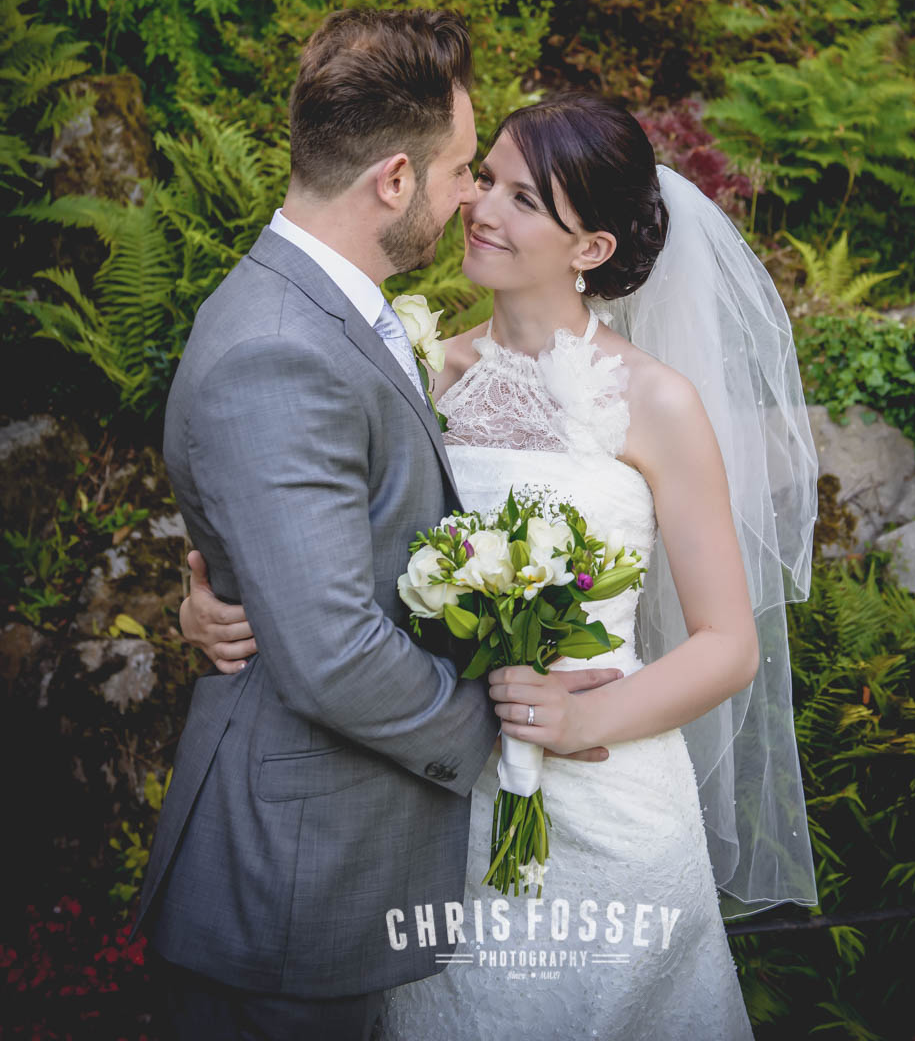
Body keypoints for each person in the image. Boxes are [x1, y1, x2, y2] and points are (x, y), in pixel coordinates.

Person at [182, 92, 821, 1041]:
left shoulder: (659, 404)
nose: (482, 208)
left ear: (591, 249)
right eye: (485, 177)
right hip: (431, 805)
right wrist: (208, 608)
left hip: (607, 806)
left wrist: (578, 717)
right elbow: (310, 546)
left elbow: (728, 646)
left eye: (526, 200)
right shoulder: (419, 369)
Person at [134, 11, 620, 1041]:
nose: (472, 199)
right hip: (290, 883)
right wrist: (503, 721)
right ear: (393, 180)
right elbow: (333, 653)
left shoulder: (336, 313)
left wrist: (214, 595)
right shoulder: (282, 347)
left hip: (339, 860)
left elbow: (327, 554)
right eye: (459, 174)